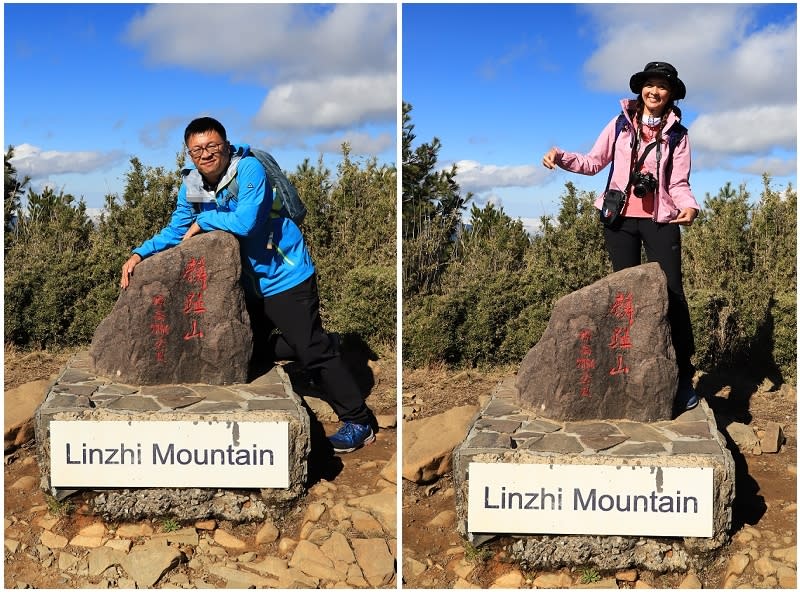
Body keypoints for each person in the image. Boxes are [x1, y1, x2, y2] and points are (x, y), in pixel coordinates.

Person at [120, 116, 376, 452]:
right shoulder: (192, 185)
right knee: (244, 348)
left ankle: (359, 421)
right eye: (197, 149)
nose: (206, 154)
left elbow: (247, 222)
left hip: (285, 275)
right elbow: (176, 230)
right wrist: (140, 253)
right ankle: (318, 340)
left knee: (312, 352)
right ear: (188, 153)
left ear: (225, 145)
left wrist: (205, 219)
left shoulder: (249, 169)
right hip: (248, 282)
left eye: (212, 146)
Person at [542, 61, 701, 411]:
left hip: (662, 219)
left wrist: (689, 206)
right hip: (619, 220)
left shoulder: (679, 135)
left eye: (662, 86)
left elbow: (678, 182)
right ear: (640, 89)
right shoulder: (619, 124)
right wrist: (561, 156)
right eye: (649, 85)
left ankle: (681, 376)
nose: (654, 91)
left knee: (673, 293)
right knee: (623, 297)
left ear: (671, 93)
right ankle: (623, 370)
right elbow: (593, 162)